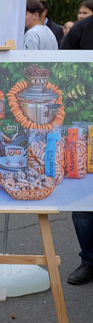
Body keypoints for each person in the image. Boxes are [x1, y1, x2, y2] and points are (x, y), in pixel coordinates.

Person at [60, 15, 93, 285]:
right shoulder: (84, 28)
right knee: (84, 202)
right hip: (85, 123)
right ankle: (89, 260)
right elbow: (63, 68)